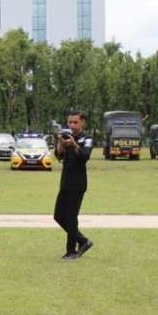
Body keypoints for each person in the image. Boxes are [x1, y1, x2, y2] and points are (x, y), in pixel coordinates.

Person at [53, 110, 94, 260]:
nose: (72, 125)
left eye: (75, 122)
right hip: (65, 182)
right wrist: (61, 143)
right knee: (58, 216)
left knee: (71, 217)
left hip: (78, 184)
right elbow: (58, 156)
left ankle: (71, 251)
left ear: (82, 122)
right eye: (70, 122)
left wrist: (75, 145)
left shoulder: (86, 138)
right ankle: (83, 241)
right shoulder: (66, 137)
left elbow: (85, 157)